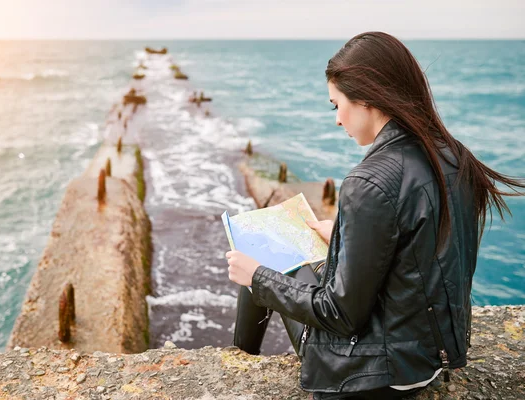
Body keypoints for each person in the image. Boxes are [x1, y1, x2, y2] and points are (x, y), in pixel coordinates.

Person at [225, 31, 525, 399]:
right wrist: (343, 231)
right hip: (427, 358)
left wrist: (256, 278)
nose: (337, 120)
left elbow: (339, 314)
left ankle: (238, 362)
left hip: (374, 378)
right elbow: (420, 249)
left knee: (261, 263)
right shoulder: (453, 155)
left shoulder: (369, 181)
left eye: (336, 106)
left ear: (366, 98)